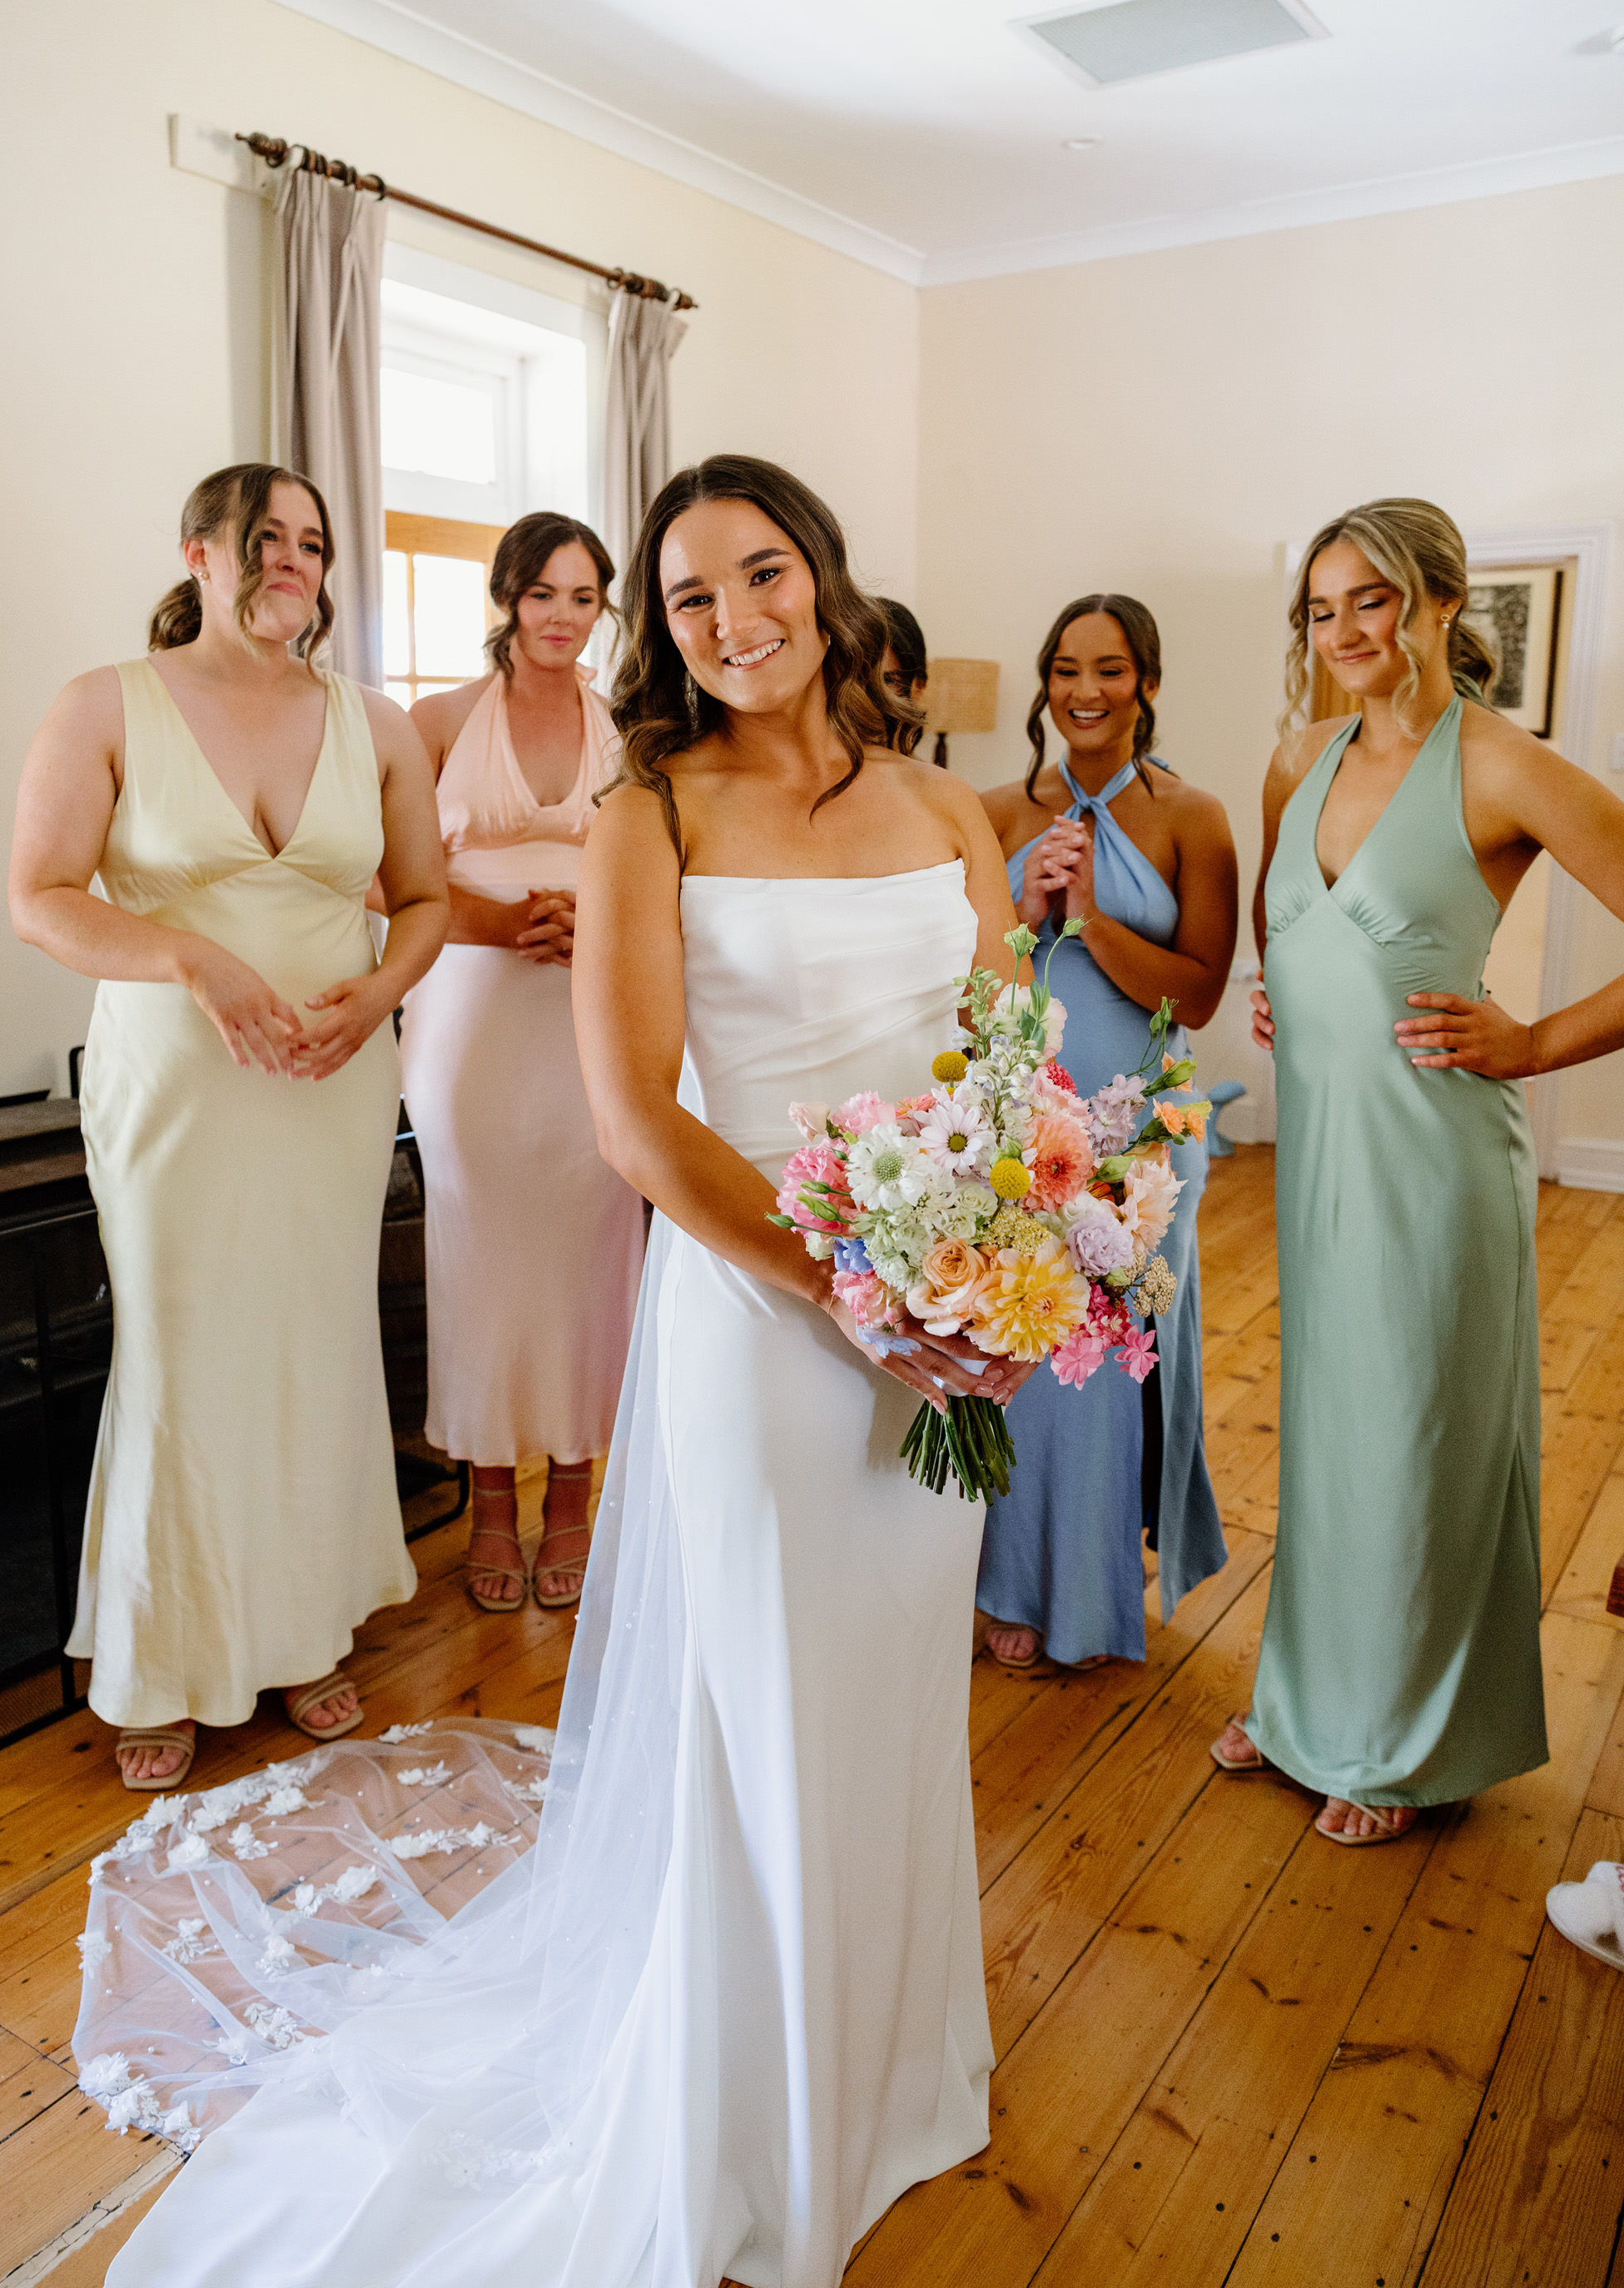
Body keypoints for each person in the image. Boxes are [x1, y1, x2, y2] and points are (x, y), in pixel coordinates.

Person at [95, 453, 1035, 2288]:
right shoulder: (648, 809)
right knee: (762, 1709)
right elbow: (637, 1127)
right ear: (661, 634)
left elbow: (1001, 1069)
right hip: (771, 1323)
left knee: (890, 1695)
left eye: (761, 573)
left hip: (937, 1336)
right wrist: (859, 1293)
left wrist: (998, 1276)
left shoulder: (947, 807)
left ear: (823, 574)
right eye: (691, 598)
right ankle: (746, 2113)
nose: (735, 618)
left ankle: (887, 2065)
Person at [8, 465, 448, 1790]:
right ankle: (163, 1658)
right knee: (183, 1346)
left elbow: (425, 898)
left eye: (313, 543)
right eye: (267, 539)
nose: (294, 562)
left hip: (332, 1078)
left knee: (314, 1338)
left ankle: (307, 1630)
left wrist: (379, 992)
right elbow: (41, 896)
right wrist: (192, 959)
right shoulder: (105, 705)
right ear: (199, 552)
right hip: (178, 1088)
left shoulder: (374, 723)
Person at [1213, 497, 1624, 1845]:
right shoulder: (1299, 755)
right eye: (1320, 608)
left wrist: (1532, 1042)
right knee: (1332, 1432)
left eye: (1371, 600)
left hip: (1434, 1157)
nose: (1342, 631)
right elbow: (1288, 924)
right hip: (1321, 1150)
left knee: (1416, 1437)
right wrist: (1286, 980)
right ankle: (1302, 1702)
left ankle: (1400, 1739)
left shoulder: (1504, 767)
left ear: (1443, 601)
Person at [976, 598, 1237, 1669]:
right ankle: (1004, 1580)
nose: (1085, 691)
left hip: (1138, 1122)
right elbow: (968, 977)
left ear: (1147, 684)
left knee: (1103, 1363)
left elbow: (1200, 992)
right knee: (1013, 1345)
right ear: (1044, 682)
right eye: (1066, 670)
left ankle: (1088, 1582)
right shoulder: (992, 810)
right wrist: (1028, 917)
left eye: (1111, 670)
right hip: (1019, 1111)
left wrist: (1090, 919)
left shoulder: (1193, 818)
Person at [398, 514, 643, 1615]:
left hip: (591, 1014)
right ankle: (491, 1498)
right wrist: (505, 925)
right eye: (543, 593)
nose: (562, 616)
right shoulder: (437, 721)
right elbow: (384, 880)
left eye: (583, 597)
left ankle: (575, 1492)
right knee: (479, 1254)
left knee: (596, 1246)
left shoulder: (633, 733)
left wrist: (596, 928)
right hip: (471, 1018)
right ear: (505, 595)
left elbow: (664, 873)